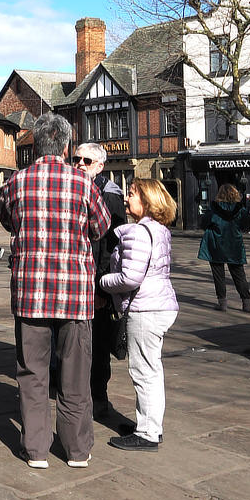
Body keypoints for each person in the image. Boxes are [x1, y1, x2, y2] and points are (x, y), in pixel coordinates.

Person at [0, 113, 110, 470]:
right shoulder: (83, 183)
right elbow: (101, 226)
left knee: (32, 374)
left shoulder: (16, 182)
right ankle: (77, 450)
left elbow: (6, 219)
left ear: (35, 146)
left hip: (31, 290)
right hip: (74, 293)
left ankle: (36, 449)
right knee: (76, 375)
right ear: (65, 146)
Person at [99, 178, 179, 453]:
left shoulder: (137, 232)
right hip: (159, 305)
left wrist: (102, 282)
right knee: (151, 370)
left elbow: (130, 278)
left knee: (143, 371)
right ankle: (149, 425)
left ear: (146, 201)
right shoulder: (160, 231)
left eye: (132, 194)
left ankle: (147, 433)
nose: (126, 199)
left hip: (146, 308)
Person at [73, 142, 128, 422]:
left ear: (99, 165)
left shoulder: (109, 195)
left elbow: (114, 244)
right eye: (76, 159)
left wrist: (103, 285)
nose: (79, 164)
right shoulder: (76, 187)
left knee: (98, 342)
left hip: (98, 279)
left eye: (86, 160)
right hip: (77, 276)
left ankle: (99, 396)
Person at [197, 183, 250, 312]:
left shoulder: (213, 209)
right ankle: (247, 302)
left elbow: (204, 224)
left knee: (218, 274)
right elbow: (245, 226)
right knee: (239, 274)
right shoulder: (241, 209)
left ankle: (222, 303)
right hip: (234, 244)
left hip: (216, 244)